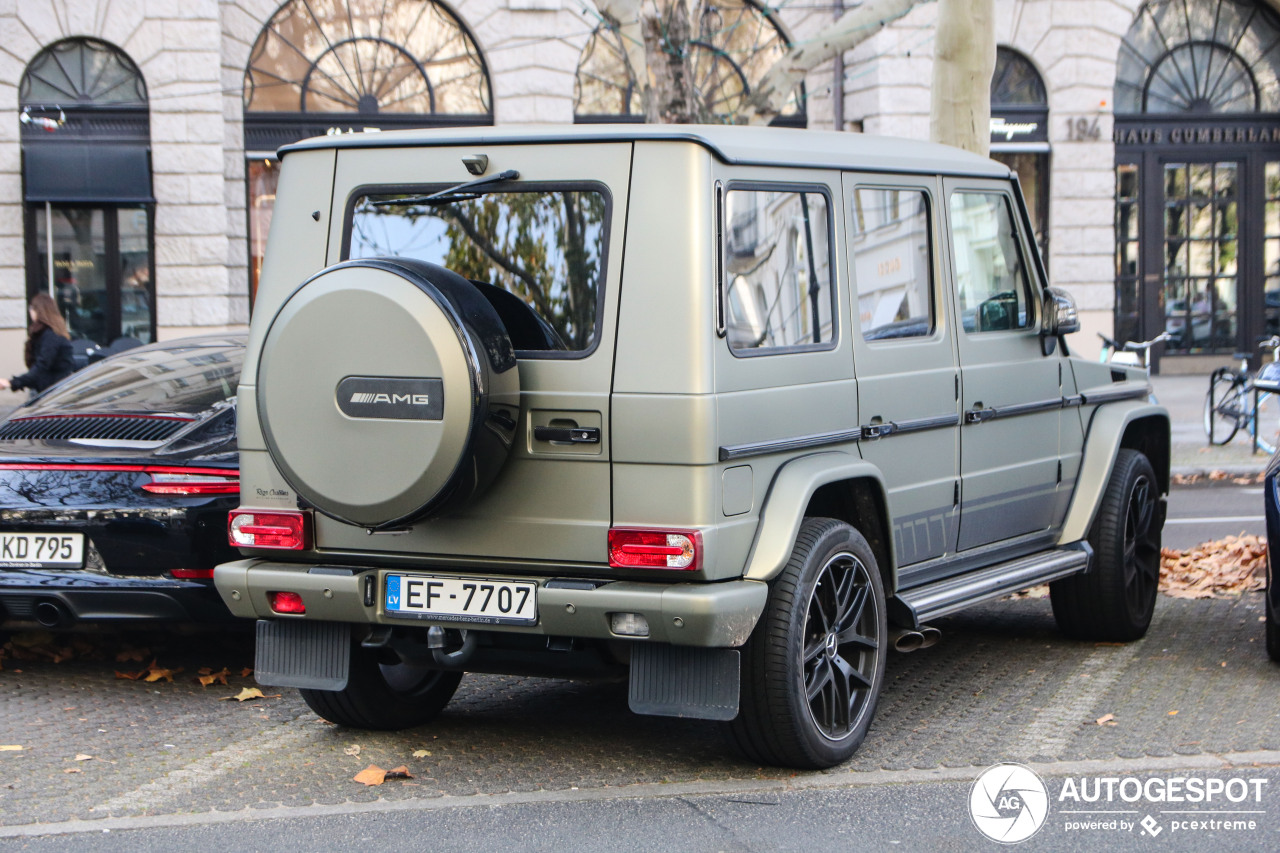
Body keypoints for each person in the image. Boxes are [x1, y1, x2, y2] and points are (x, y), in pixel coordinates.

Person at [0, 292, 75, 394]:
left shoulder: (50, 335)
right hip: (51, 388)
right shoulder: (51, 333)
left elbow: (42, 367)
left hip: (51, 391)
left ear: (38, 311)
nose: (30, 311)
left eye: (31, 308)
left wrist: (13, 382)